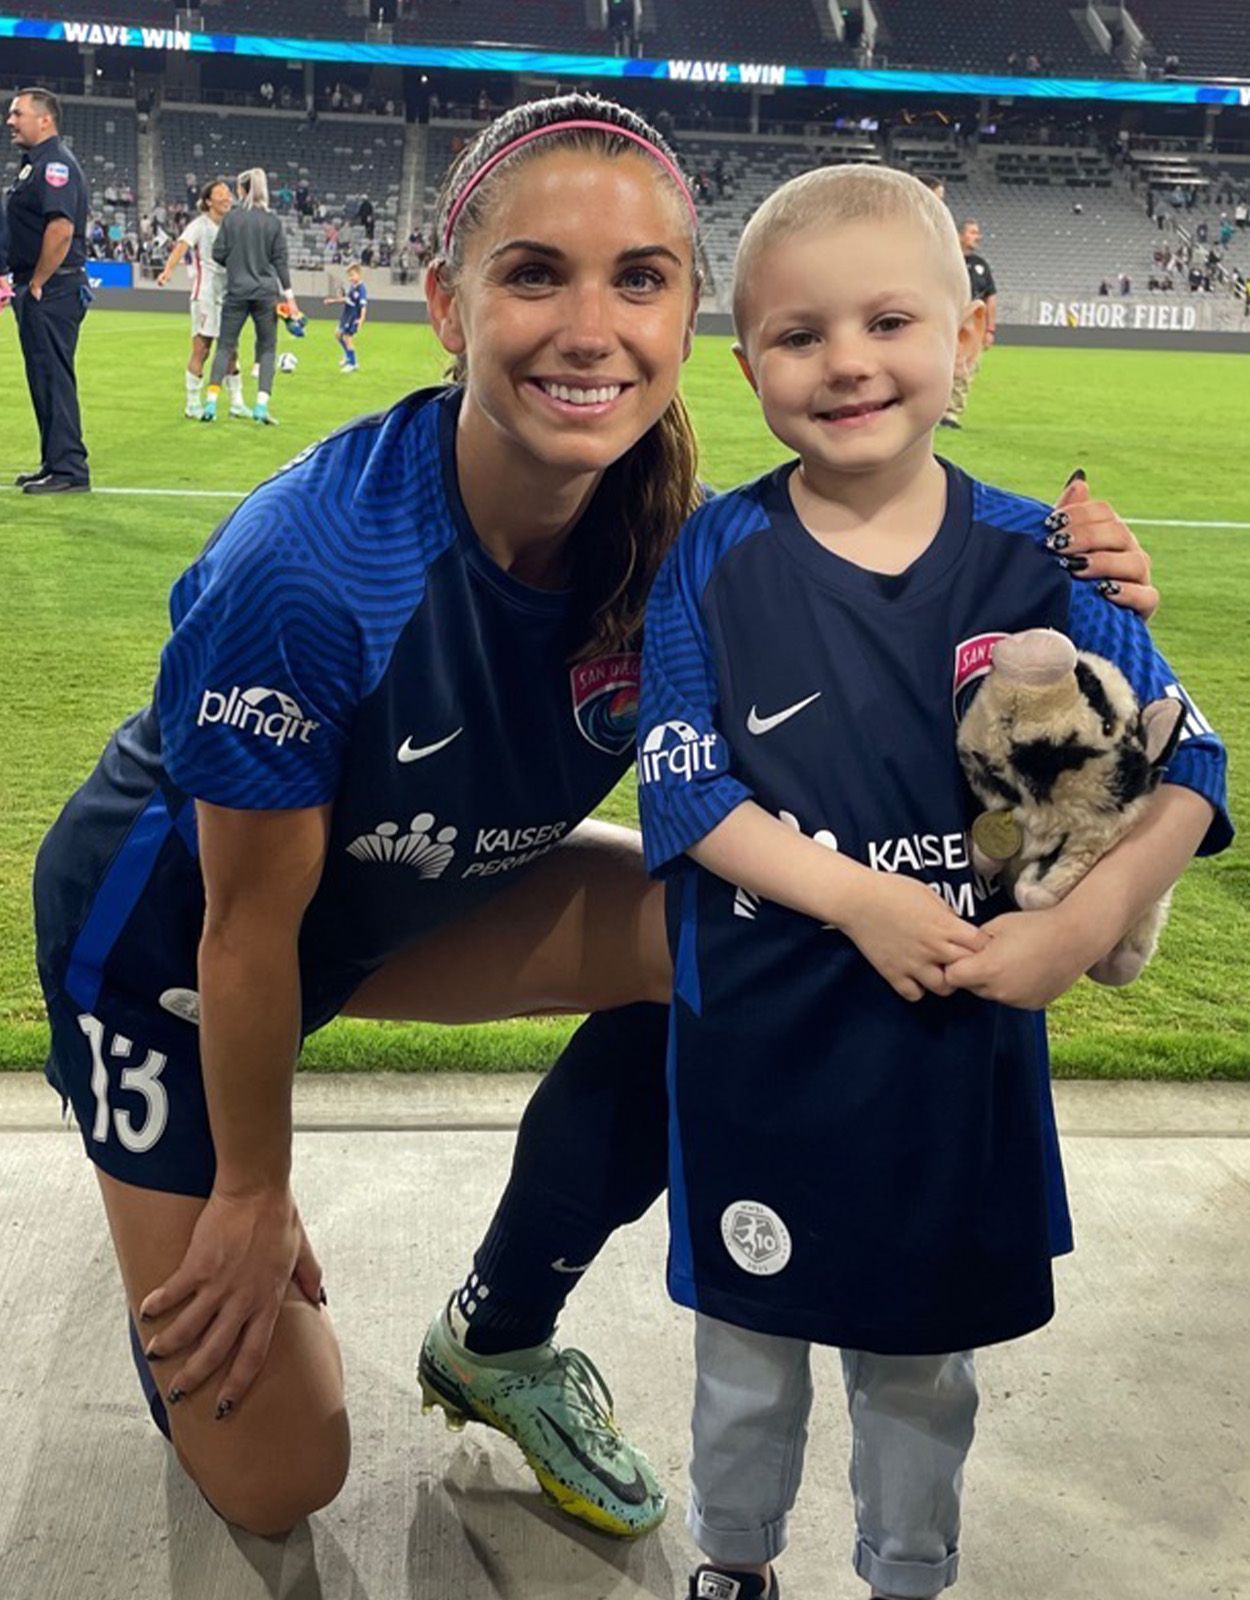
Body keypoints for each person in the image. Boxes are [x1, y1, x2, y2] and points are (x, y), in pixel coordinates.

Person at [32, 94, 1159, 1548]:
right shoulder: (310, 571)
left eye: (637, 279)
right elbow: (244, 930)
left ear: (687, 316)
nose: (589, 328)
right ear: (448, 306)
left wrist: (1076, 592)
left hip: (396, 905)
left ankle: (496, 1336)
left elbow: (903, 642)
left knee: (734, 937)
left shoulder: (695, 544)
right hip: (170, 954)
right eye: (531, 274)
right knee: (280, 1475)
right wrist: (252, 1189)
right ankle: (170, 1218)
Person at [635, 163, 1230, 1600]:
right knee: (745, 1355)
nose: (846, 361)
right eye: (799, 335)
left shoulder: (1041, 558)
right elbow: (684, 789)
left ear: (968, 336)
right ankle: (732, 1560)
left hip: (952, 1057)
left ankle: (907, 1571)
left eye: (889, 321)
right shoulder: (710, 554)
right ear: (747, 368)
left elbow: (1193, 762)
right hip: (759, 1049)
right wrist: (853, 897)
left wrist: (1081, 927)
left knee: (919, 1368)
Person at [4, 85, 91, 494]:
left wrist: (37, 282)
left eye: (17, 113)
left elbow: (61, 228)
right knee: (43, 377)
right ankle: (54, 462)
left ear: (44, 120)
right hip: (42, 287)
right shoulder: (34, 165)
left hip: (52, 289)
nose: (9, 121)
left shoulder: (55, 164)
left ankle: (70, 469)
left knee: (53, 376)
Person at [202, 167, 300, 426]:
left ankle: (211, 403)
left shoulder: (232, 219)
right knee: (267, 349)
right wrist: (290, 299)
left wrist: (237, 260)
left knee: (225, 346)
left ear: (242, 190)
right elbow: (280, 262)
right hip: (266, 293)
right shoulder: (273, 222)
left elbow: (217, 254)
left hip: (237, 291)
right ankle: (261, 407)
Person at [156, 177, 247, 421]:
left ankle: (237, 403)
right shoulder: (200, 225)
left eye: (228, 193)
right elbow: (181, 246)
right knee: (202, 350)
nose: (227, 197)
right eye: (221, 193)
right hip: (205, 293)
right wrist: (168, 270)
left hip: (229, 295)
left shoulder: (234, 226)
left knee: (231, 350)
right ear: (208, 201)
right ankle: (193, 403)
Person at [940, 218, 996, 431]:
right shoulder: (945, 260)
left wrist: (989, 329)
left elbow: (991, 297)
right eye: (972, 232)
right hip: (947, 319)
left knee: (965, 368)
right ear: (960, 235)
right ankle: (933, 409)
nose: (977, 237)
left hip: (972, 325)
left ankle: (951, 413)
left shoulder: (981, 265)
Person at [324, 261, 367, 371]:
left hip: (353, 316)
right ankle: (348, 356)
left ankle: (352, 363)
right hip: (346, 315)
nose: (350, 278)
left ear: (359, 274)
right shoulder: (353, 287)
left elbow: (363, 306)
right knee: (338, 334)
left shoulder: (361, 288)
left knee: (347, 338)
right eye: (349, 276)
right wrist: (332, 301)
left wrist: (361, 319)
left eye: (352, 275)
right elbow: (347, 299)